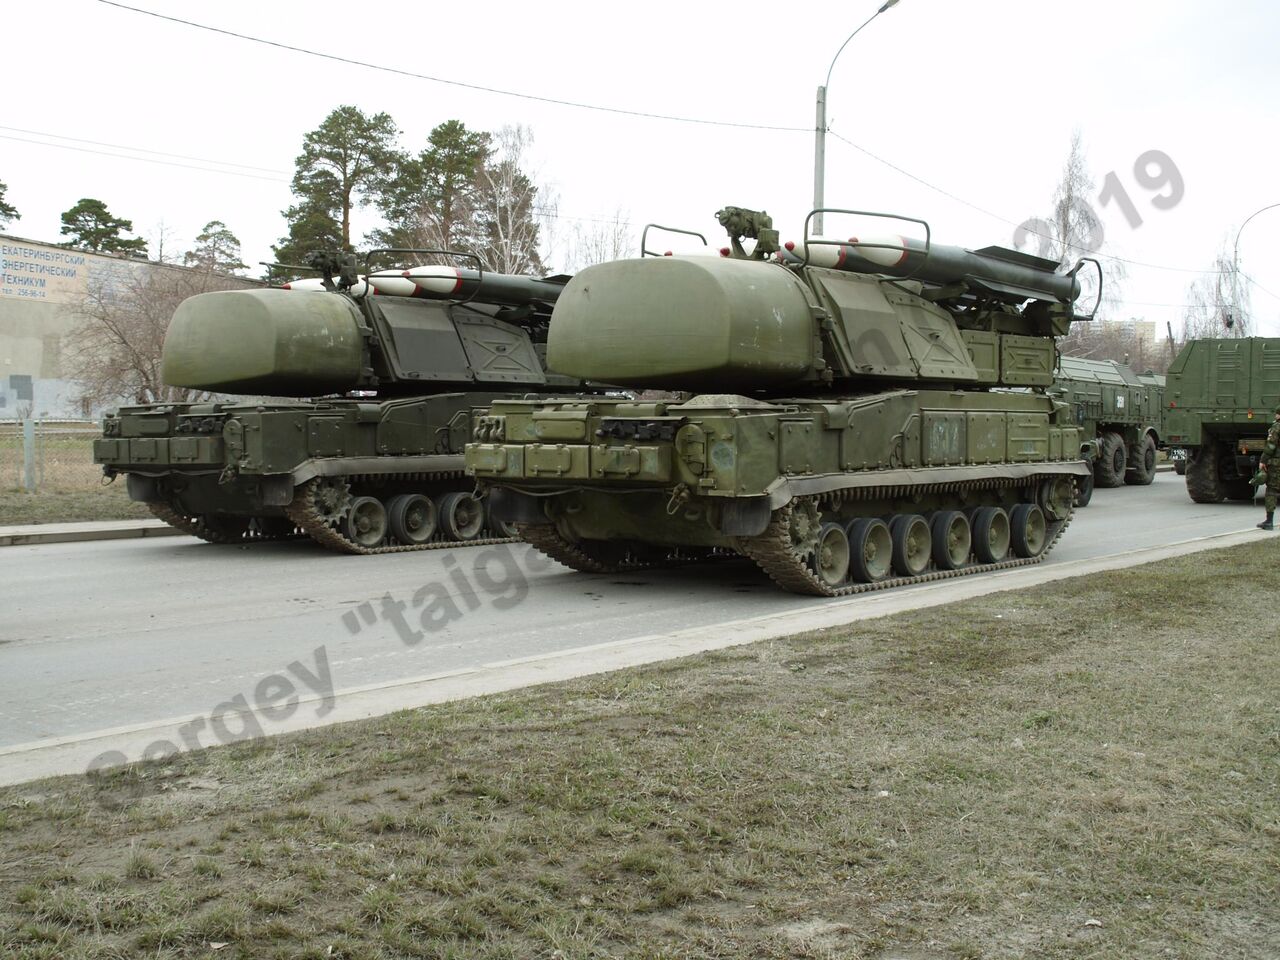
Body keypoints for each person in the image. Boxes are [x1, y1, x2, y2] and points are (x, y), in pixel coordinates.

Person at [1259, 404, 1280, 530]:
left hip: (1277, 463)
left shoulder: (1277, 427)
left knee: (1272, 490)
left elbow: (1271, 446)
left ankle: (1269, 521)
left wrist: (1263, 460)